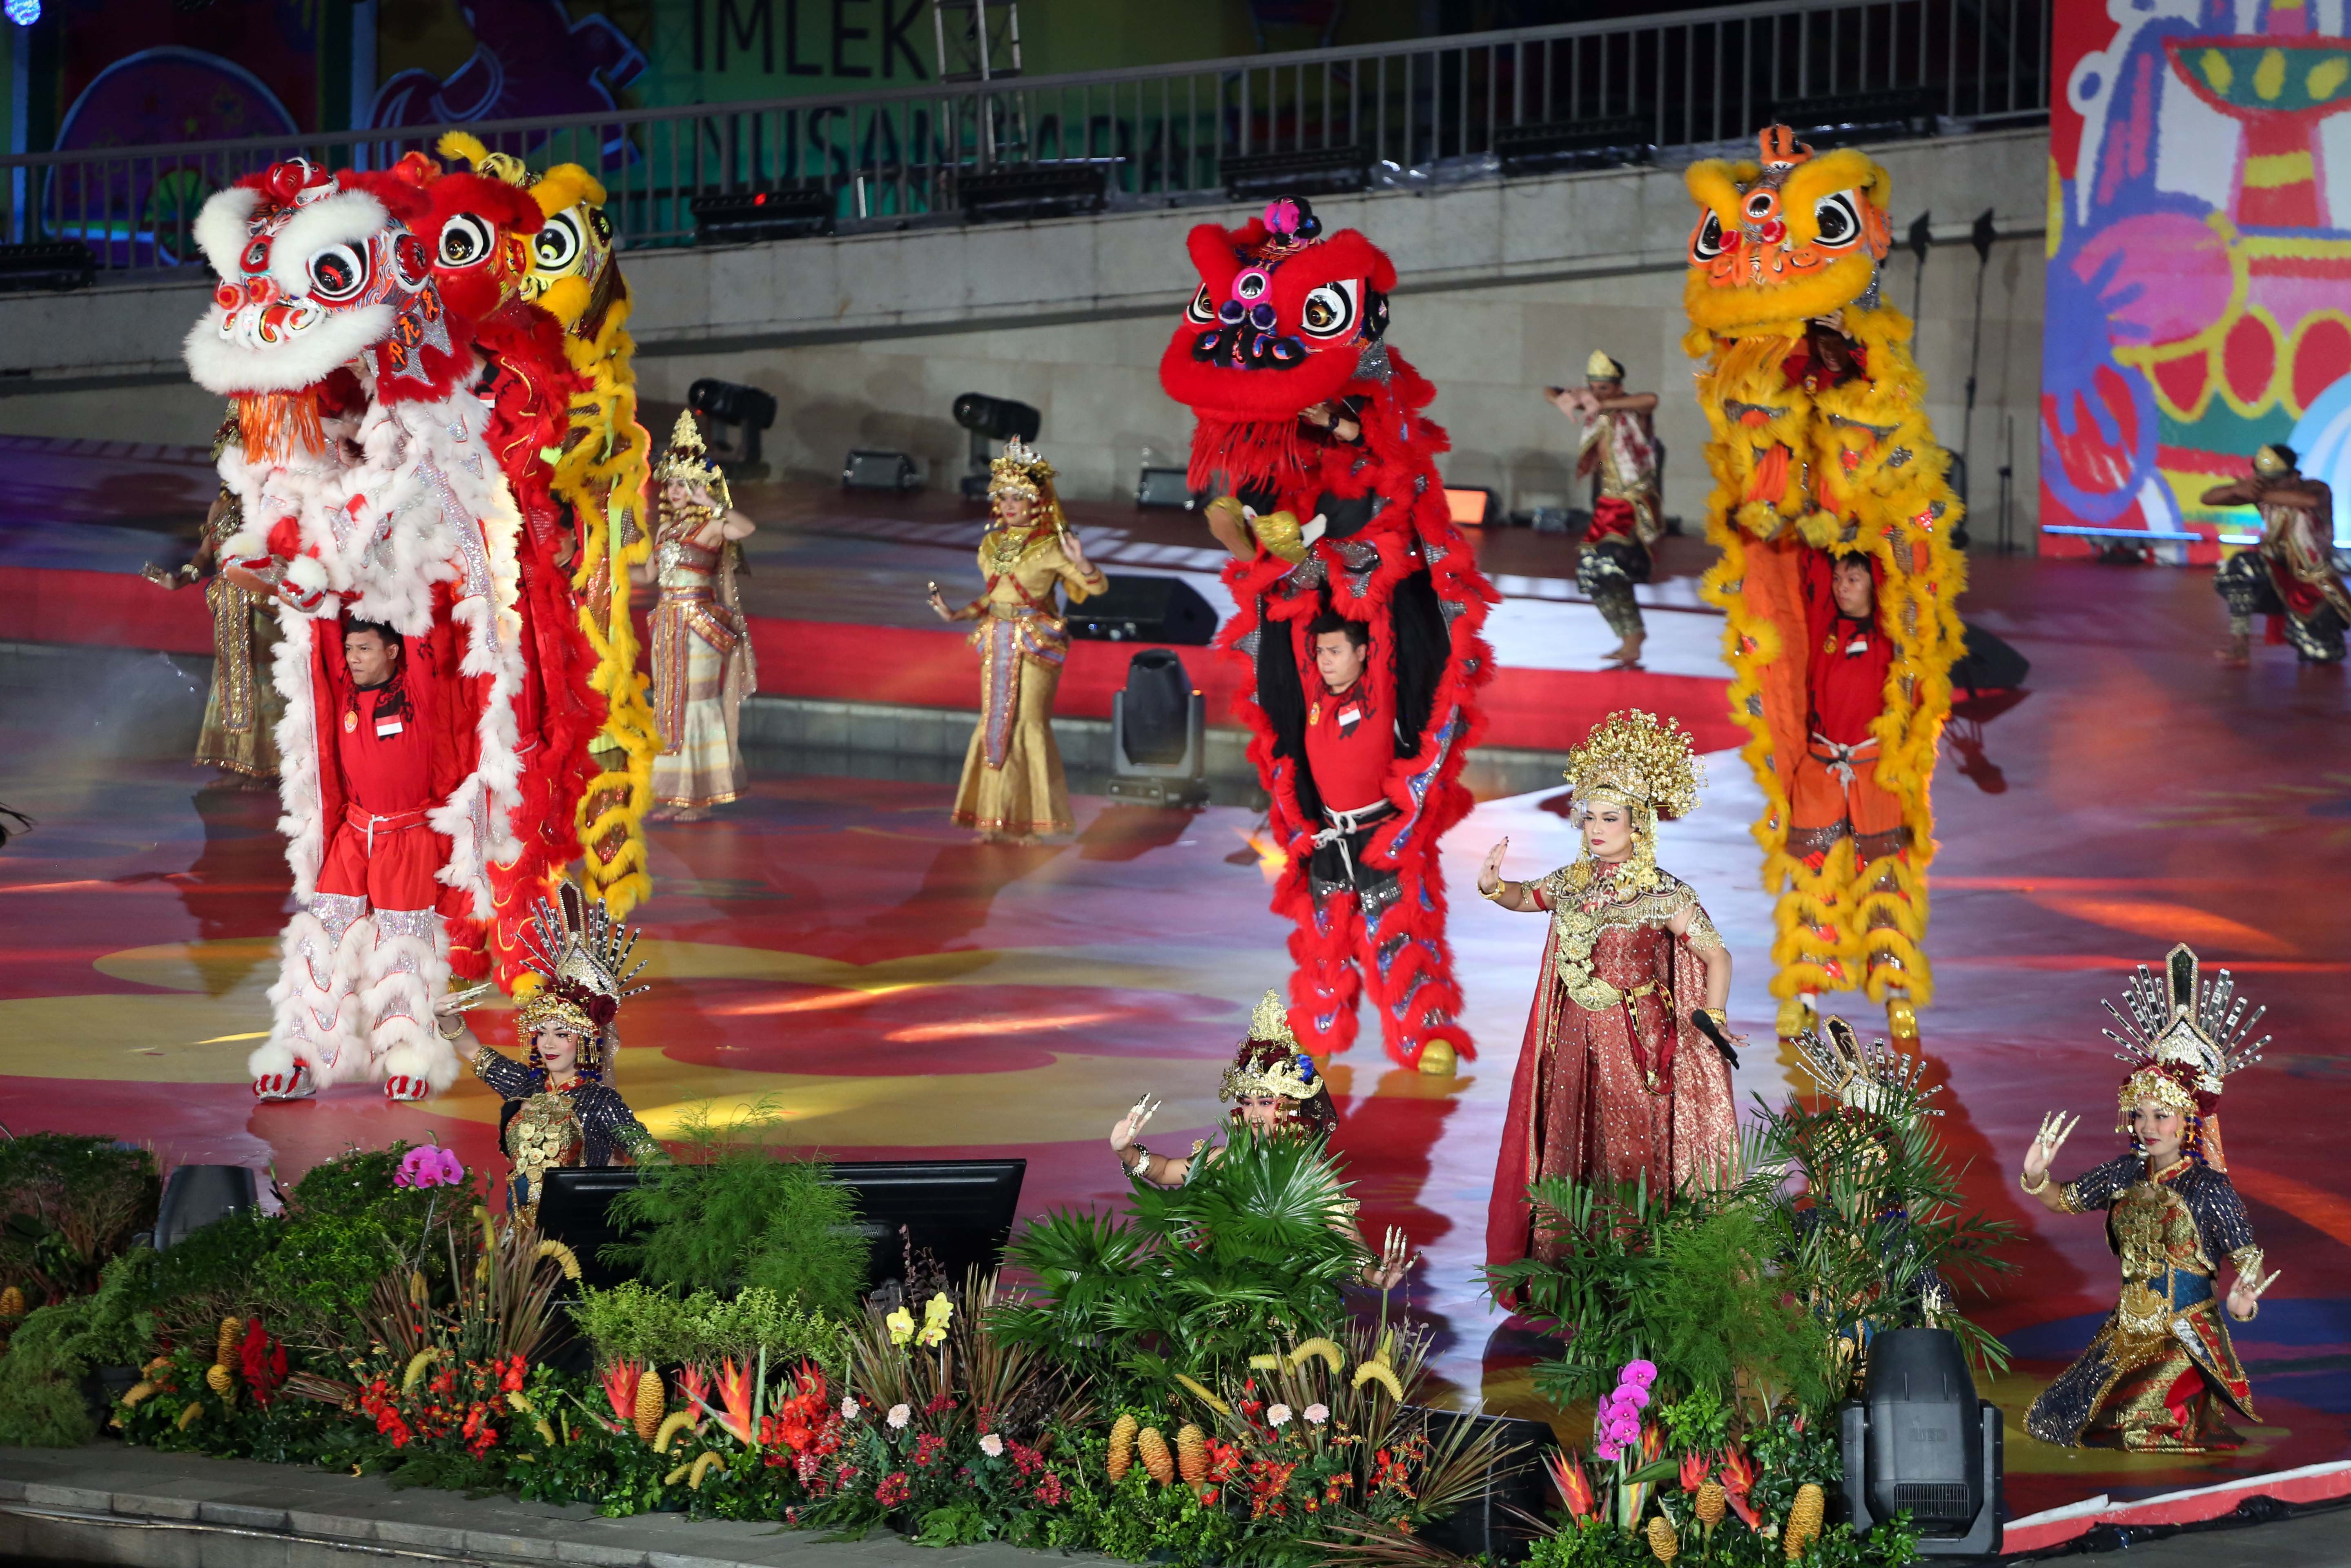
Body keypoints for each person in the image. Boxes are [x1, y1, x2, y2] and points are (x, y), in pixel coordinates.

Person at [1481, 710, 1742, 1275]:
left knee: (1631, 1146)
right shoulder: (1574, 884)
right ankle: (1571, 1271)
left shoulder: (1663, 893)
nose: (1596, 830)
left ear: (1638, 823)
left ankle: (1639, 1270)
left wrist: (1713, 1013)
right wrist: (1494, 886)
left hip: (1636, 1036)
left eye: (1610, 818)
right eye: (1589, 818)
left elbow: (1716, 955)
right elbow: (1528, 898)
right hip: (1575, 1035)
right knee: (1574, 1136)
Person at [2020, 943, 2280, 1452]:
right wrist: (2035, 1174)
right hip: (2125, 1333)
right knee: (2057, 1419)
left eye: (2162, 1115)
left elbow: (2248, 1260)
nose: (2148, 1126)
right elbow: (2063, 1199)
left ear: (2188, 1120)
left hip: (2184, 1339)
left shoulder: (2208, 1187)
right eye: (2140, 1115)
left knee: (2139, 1425)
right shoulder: (2124, 1172)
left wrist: (2241, 1305)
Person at [254, 618, 468, 1103]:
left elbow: (418, 622)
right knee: (320, 946)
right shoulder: (344, 692)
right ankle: (303, 1059)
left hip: (407, 838)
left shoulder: (418, 689)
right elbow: (324, 633)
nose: (354, 658)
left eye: (366, 649)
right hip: (353, 836)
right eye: (350, 649)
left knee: (404, 948)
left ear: (395, 652)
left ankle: (408, 1059)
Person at [1108, 990, 1413, 1290]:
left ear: (1291, 1104)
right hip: (1224, 1301)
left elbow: (1348, 1242)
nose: (1254, 1113)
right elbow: (1162, 1171)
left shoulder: (1311, 1175)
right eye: (1247, 1102)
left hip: (1288, 1307)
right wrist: (1125, 1152)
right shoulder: (1225, 1159)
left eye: (1266, 1102)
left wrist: (1375, 1277)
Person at [928, 437, 1106, 843]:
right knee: (995, 723)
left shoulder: (1050, 547)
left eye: (1019, 497)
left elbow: (1096, 588)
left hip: (1035, 644)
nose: (1009, 504)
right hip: (996, 638)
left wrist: (1081, 562)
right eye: (1004, 496)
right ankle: (991, 819)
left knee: (1028, 723)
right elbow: (994, 597)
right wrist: (957, 613)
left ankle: (1030, 822)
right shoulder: (991, 544)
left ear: (1036, 503)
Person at [458, 882, 660, 1221]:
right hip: (519, 1233)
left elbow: (649, 1155)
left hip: (576, 1232)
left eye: (562, 1034)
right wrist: (444, 1017)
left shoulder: (599, 1101)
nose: (548, 1044)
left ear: (584, 1041)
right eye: (542, 1033)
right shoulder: (525, 1084)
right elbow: (472, 1050)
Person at [144, 410, 286, 783]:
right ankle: (233, 757)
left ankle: (269, 764)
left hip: (262, 606)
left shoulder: (276, 502)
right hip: (227, 605)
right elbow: (206, 554)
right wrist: (181, 578)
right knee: (230, 680)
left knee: (266, 678)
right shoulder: (221, 506)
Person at [640, 412, 756, 821]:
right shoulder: (663, 533)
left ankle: (703, 796)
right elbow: (650, 576)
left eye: (685, 484)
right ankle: (676, 794)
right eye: (672, 483)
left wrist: (716, 504)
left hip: (699, 627)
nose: (676, 491)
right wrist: (605, 567)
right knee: (669, 703)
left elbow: (746, 529)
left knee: (697, 701)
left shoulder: (711, 527)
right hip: (666, 623)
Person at [1550, 352, 1663, 670]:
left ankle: (1633, 638)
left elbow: (1650, 400)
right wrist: (1575, 397)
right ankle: (1630, 637)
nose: (1598, 394)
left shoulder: (1633, 411)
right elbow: (1548, 392)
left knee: (1610, 566)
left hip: (1632, 501)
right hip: (1606, 503)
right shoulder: (1593, 408)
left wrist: (1600, 404)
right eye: (1594, 388)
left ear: (1618, 387)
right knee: (1592, 574)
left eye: (1605, 388)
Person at [2204, 444, 2348, 666]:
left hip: (2314, 584)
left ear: (2294, 477)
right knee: (2237, 571)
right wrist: (2236, 490)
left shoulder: (2316, 489)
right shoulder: (2264, 494)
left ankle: (2305, 630)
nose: (2267, 484)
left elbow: (2310, 502)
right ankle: (2240, 648)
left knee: (2323, 655)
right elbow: (2208, 498)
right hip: (2277, 573)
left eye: (2274, 480)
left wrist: (2257, 492)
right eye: (2263, 479)